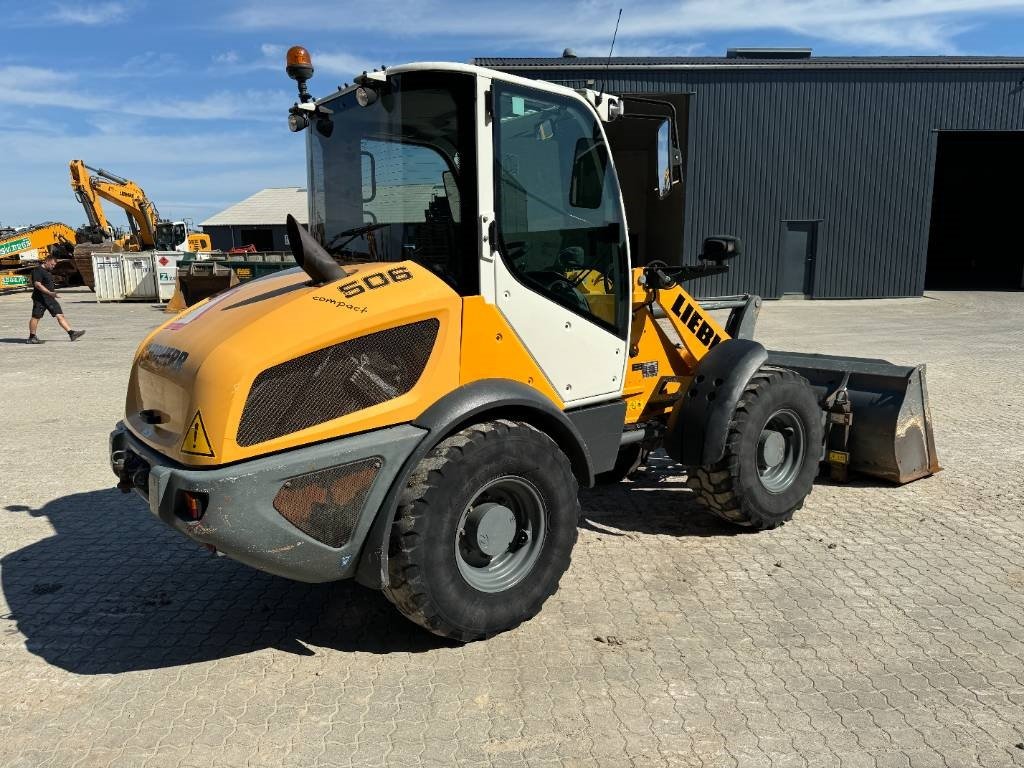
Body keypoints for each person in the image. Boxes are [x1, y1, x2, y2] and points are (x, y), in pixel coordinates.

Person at [27, 253, 85, 344]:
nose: (53, 267)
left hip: (50, 298)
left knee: (59, 315)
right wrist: (49, 292)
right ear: (46, 261)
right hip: (40, 298)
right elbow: (37, 285)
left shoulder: (47, 271)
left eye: (54, 265)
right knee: (36, 317)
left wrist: (51, 294)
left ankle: (71, 333)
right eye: (52, 264)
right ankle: (32, 337)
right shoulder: (38, 270)